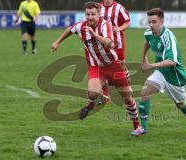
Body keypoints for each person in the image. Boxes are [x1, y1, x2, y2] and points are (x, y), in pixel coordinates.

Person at [52, 1, 140, 133]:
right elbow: (69, 30)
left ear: (99, 14)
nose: (90, 17)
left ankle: (137, 126)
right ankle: (92, 103)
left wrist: (95, 35)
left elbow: (110, 44)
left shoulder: (105, 25)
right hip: (96, 67)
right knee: (92, 93)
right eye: (87, 14)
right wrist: (57, 42)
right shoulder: (81, 27)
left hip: (113, 66)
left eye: (93, 14)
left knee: (127, 98)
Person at [131, 8, 186, 136]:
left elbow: (172, 61)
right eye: (149, 22)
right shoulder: (149, 33)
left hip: (175, 76)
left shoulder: (168, 36)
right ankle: (143, 128)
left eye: (154, 22)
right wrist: (143, 56)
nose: (151, 25)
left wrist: (150, 65)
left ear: (162, 21)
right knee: (144, 93)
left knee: (180, 104)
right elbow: (147, 41)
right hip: (161, 72)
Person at [100, 0, 131, 97]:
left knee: (122, 65)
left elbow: (127, 21)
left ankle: (126, 86)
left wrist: (119, 28)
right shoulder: (98, 7)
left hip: (118, 42)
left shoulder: (119, 7)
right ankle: (105, 95)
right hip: (104, 42)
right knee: (103, 66)